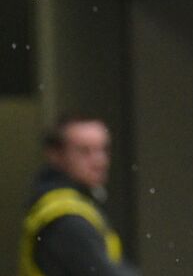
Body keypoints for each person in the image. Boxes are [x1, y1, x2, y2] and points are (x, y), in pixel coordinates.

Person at [19, 114, 139, 276]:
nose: (99, 161)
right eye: (84, 151)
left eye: (103, 149)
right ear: (55, 155)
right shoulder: (66, 218)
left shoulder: (70, 206)